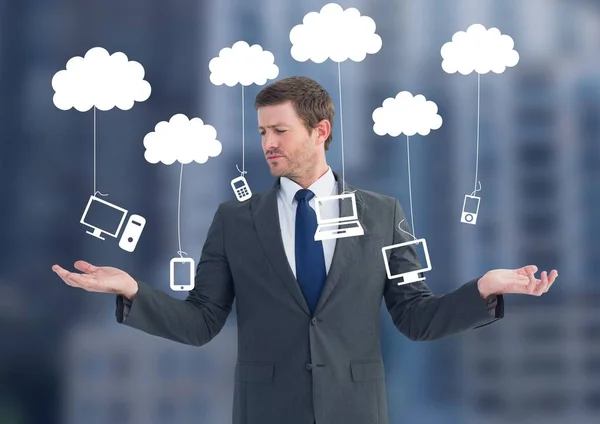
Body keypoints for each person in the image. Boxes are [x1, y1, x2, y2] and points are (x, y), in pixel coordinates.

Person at [53, 76, 558, 424]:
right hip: (266, 410)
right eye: (262, 132)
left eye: (279, 131)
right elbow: (202, 321)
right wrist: (131, 289)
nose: (267, 143)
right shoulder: (235, 220)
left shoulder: (381, 213)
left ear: (321, 131)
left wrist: (484, 289)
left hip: (355, 410)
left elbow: (415, 316)